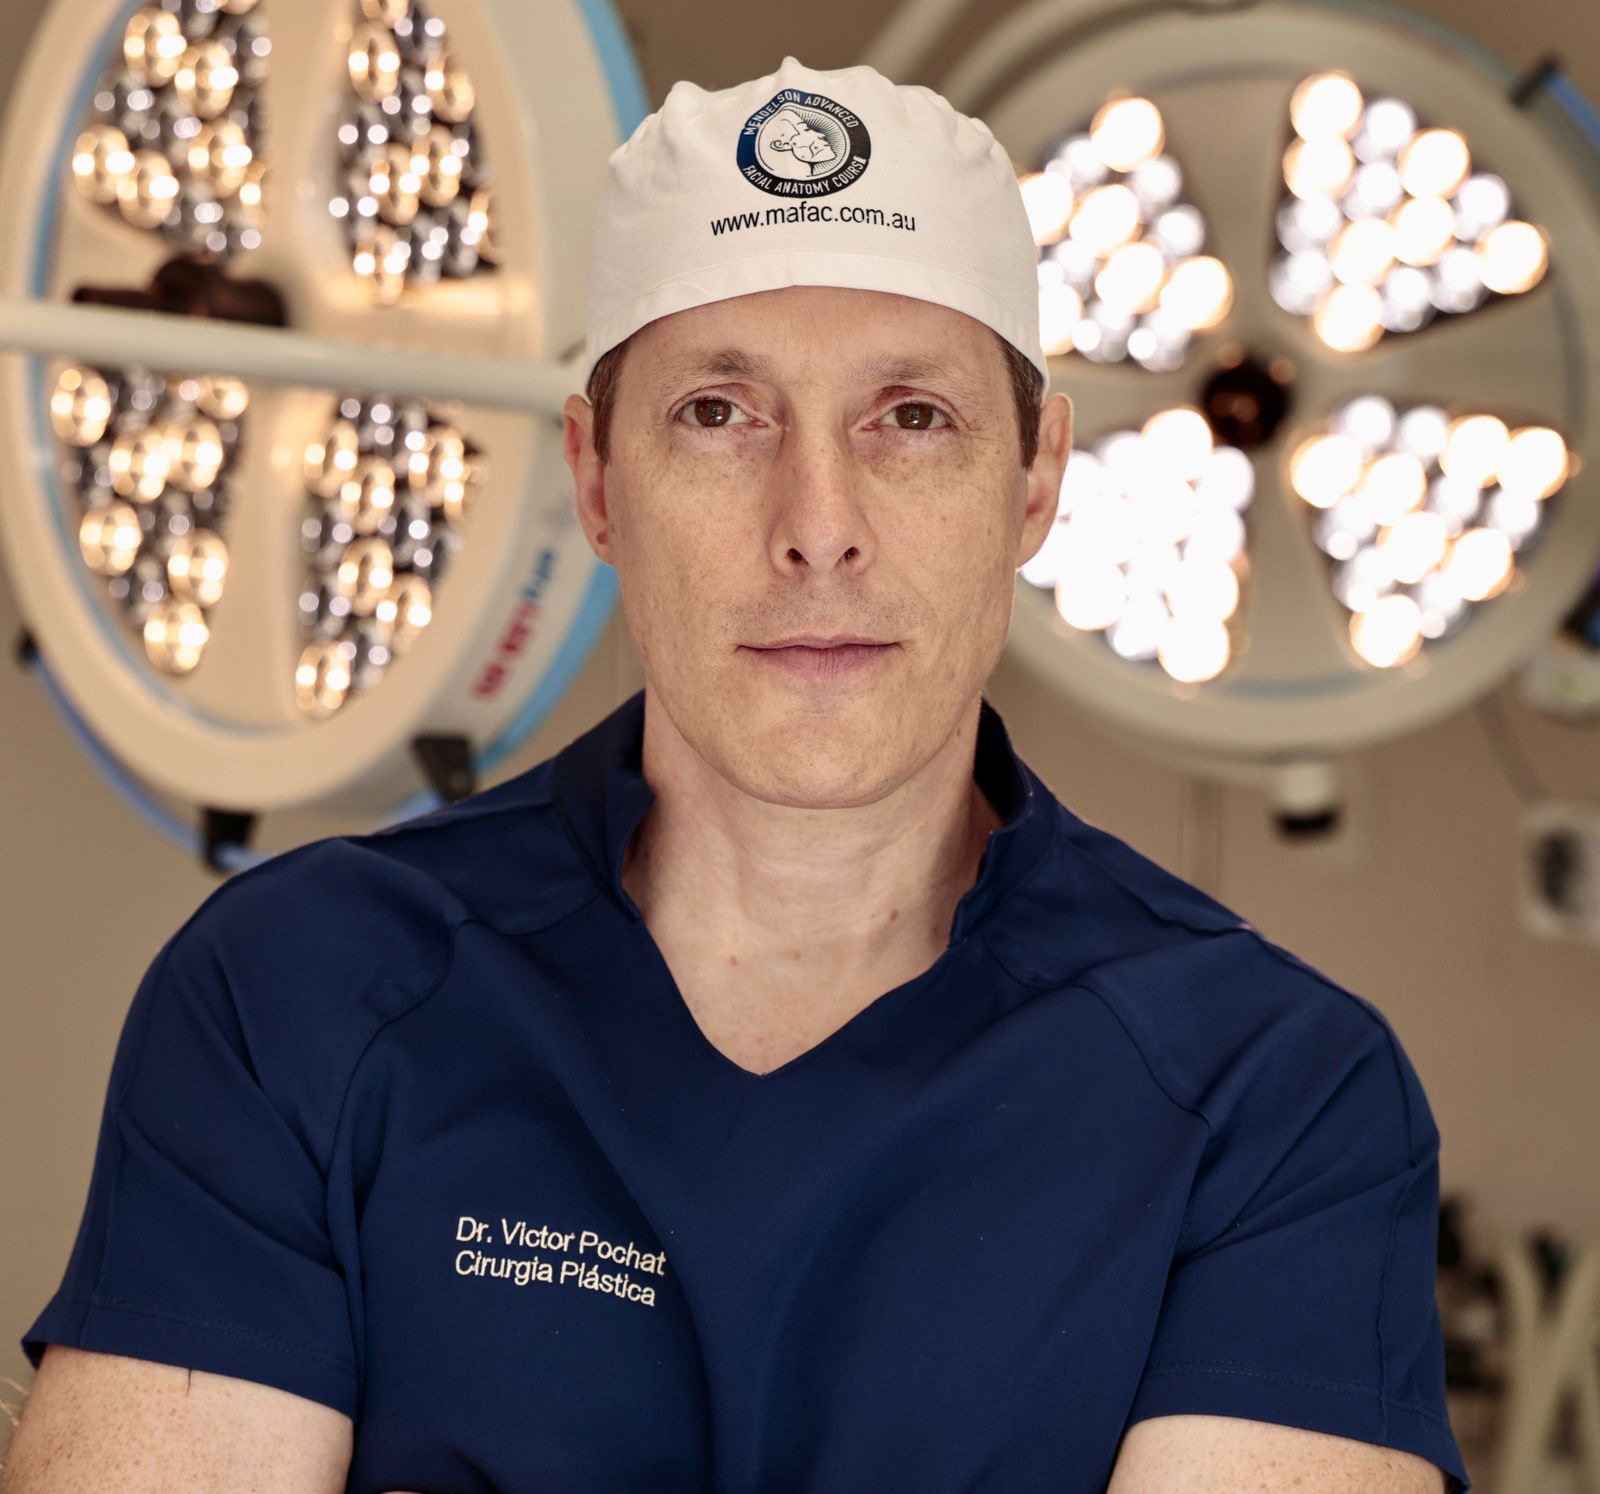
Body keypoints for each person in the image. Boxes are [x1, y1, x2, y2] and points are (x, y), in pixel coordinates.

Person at [3, 53, 1468, 1494]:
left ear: (1034, 482)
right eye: (719, 413)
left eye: (911, 417)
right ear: (597, 478)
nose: (817, 525)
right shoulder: (300, 994)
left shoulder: (1273, 1096)